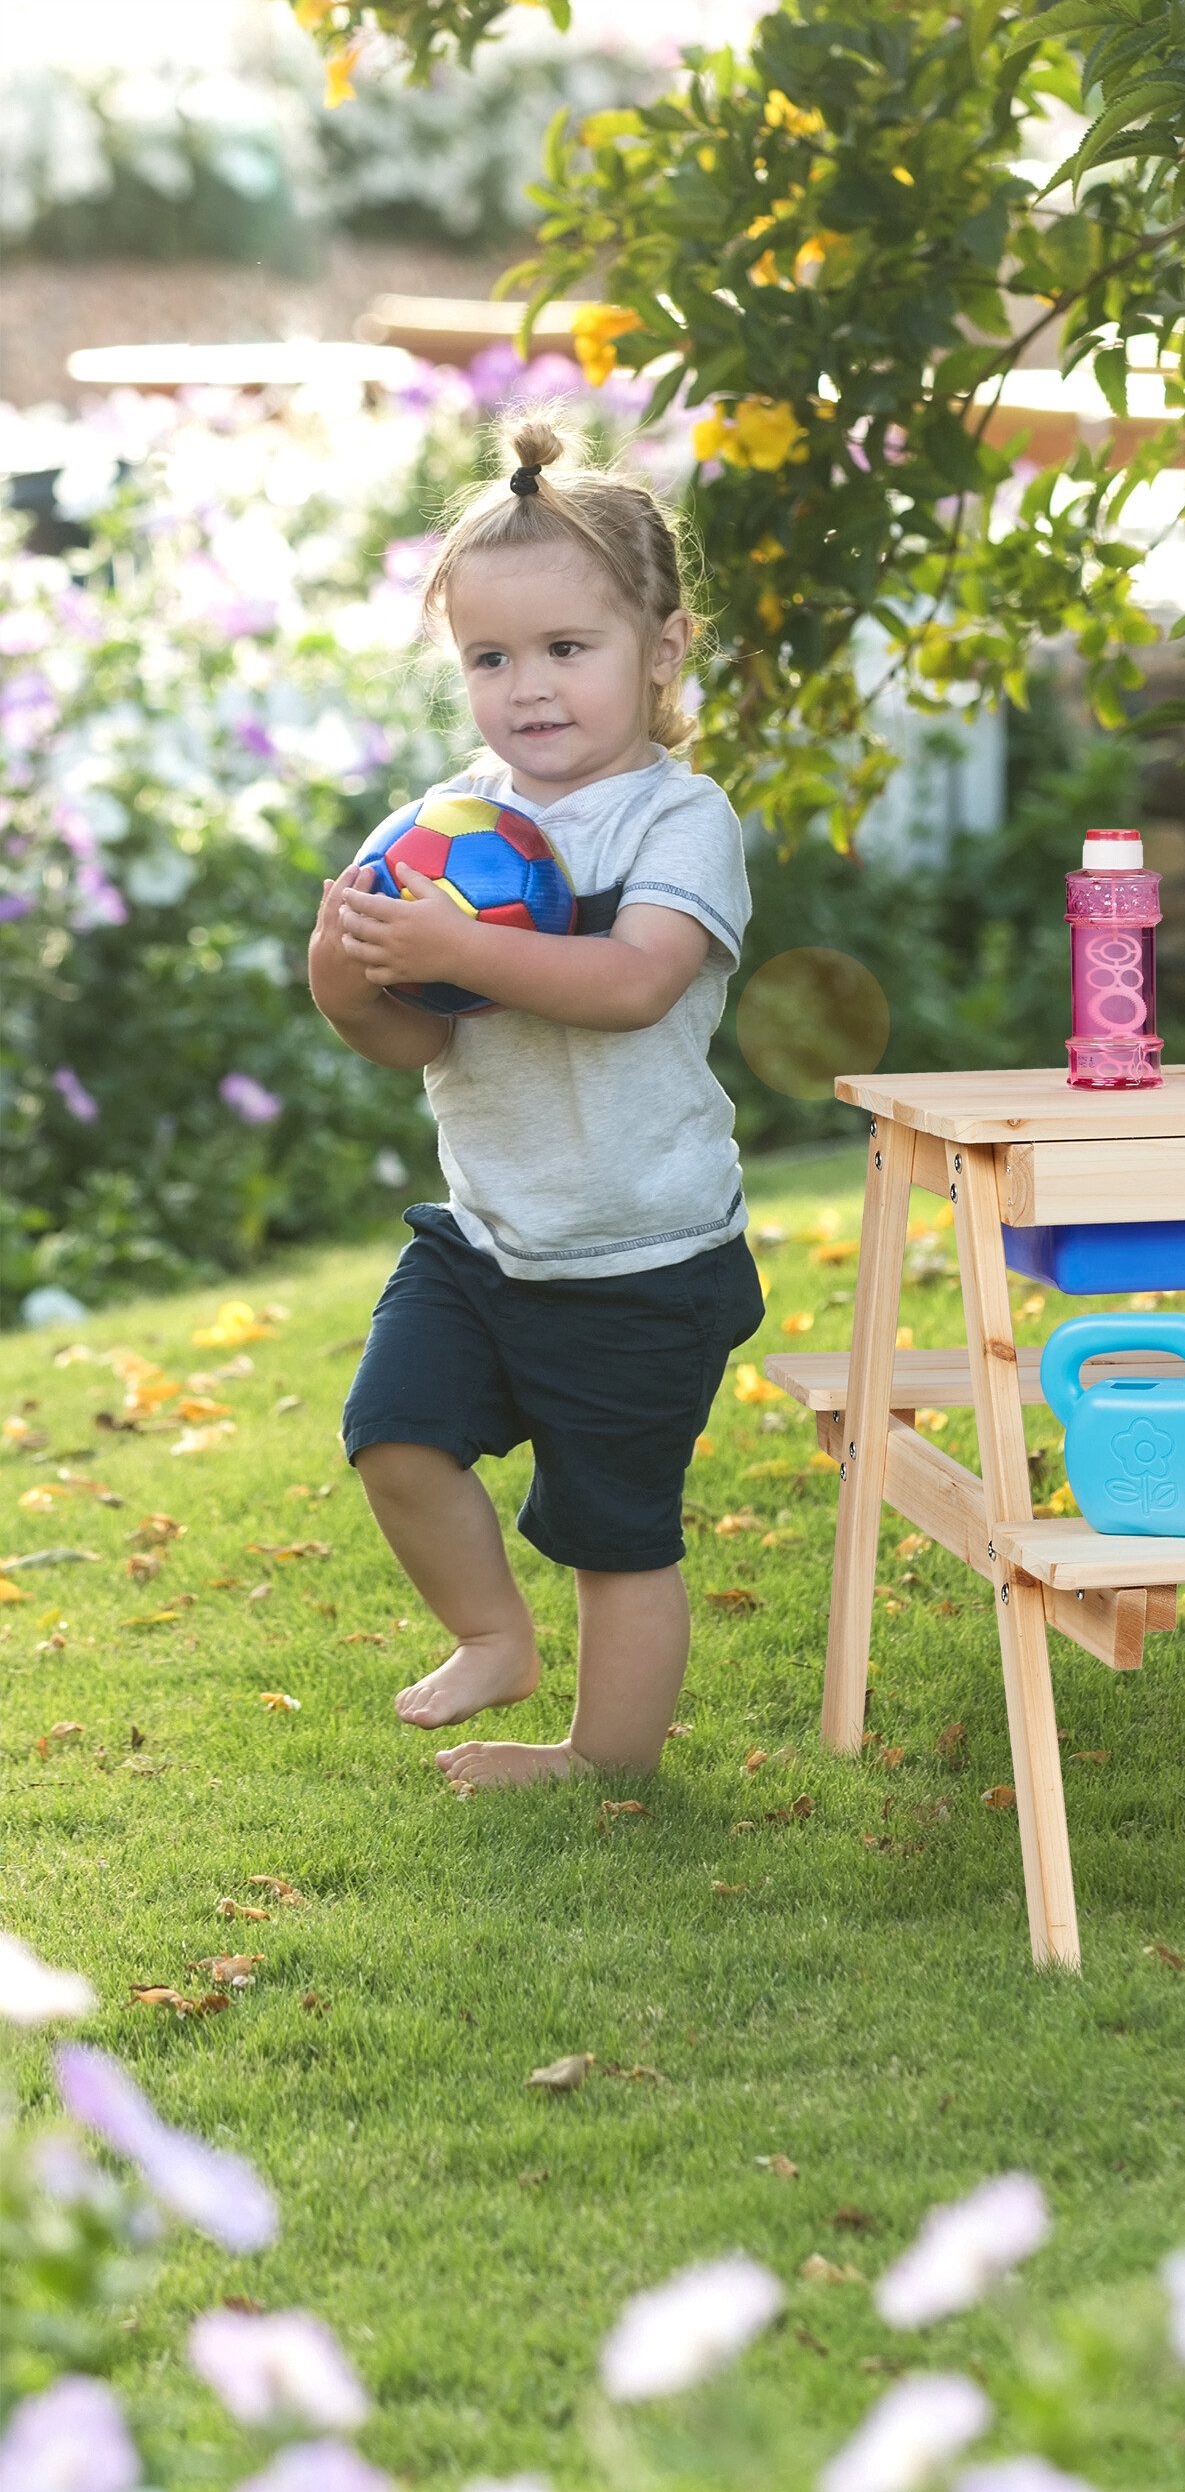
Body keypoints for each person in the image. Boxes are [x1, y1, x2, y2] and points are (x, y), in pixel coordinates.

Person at [306, 410, 765, 1792]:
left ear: (662, 650)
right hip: (491, 1234)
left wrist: (455, 950)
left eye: (570, 649)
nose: (531, 687)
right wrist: (349, 976)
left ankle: (601, 1760)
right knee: (392, 1436)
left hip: (642, 1253)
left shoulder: (678, 823)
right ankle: (491, 1635)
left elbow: (632, 983)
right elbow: (409, 1041)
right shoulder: (446, 827)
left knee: (613, 1533)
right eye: (493, 658)